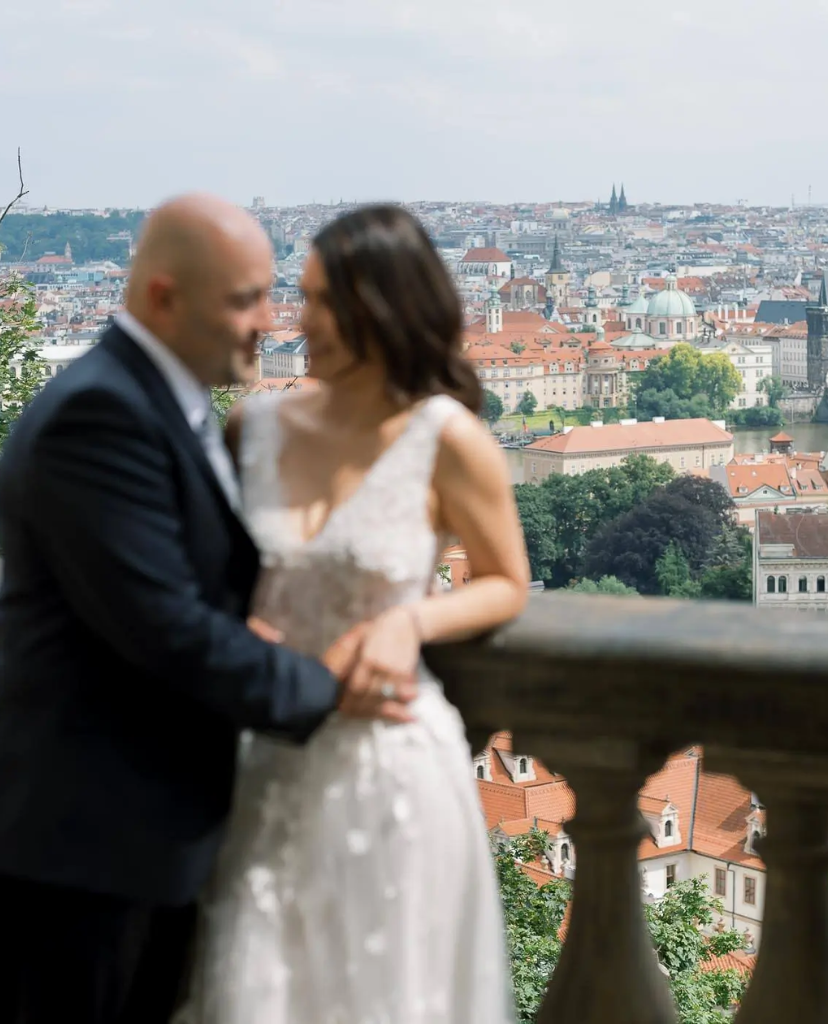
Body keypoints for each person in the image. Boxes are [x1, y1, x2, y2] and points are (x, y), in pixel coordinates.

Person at [0, 195, 416, 1024]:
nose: (270, 320)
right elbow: (168, 632)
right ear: (160, 297)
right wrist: (324, 685)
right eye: (244, 299)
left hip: (130, 835)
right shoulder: (100, 413)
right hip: (83, 847)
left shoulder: (157, 401)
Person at [180, 205, 529, 1023]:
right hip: (265, 755)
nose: (302, 324)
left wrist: (412, 622)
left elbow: (507, 581)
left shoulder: (448, 436)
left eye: (324, 303)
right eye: (302, 299)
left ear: (387, 308)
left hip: (391, 760)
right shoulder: (252, 423)